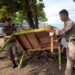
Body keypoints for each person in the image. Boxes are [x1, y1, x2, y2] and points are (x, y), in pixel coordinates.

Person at [55, 9, 75, 75]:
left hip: (72, 43)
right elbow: (64, 34)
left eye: (61, 16)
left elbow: (63, 31)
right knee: (69, 59)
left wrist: (55, 31)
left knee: (70, 59)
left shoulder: (70, 22)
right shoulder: (65, 23)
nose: (60, 18)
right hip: (68, 43)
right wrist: (59, 39)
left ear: (65, 15)